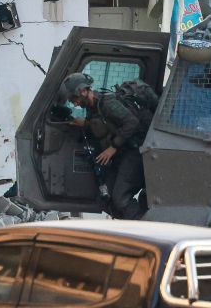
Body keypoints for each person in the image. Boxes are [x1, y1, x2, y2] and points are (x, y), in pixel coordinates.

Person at [59, 73, 148, 220]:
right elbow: (103, 126)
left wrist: (112, 147)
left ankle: (146, 229)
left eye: (74, 99)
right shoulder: (92, 109)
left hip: (133, 153)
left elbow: (132, 123)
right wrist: (85, 124)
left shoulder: (107, 103)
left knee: (120, 199)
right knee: (103, 197)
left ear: (83, 91)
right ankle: (128, 226)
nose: (75, 104)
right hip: (119, 157)